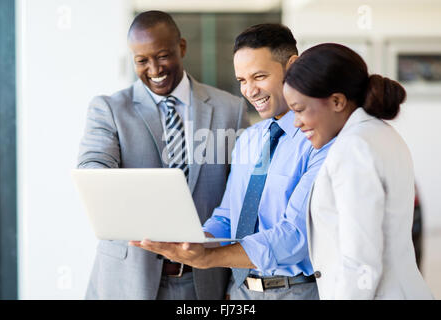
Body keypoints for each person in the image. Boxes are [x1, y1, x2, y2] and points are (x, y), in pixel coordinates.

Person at [131, 24, 332, 300]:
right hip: (239, 292)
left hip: (295, 291)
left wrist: (210, 258)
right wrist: (194, 241)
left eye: (259, 76)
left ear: (293, 67)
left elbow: (295, 238)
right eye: (242, 80)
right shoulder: (250, 139)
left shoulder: (320, 140)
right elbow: (229, 217)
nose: (249, 90)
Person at [78, 10, 249, 300]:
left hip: (204, 281)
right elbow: (93, 165)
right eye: (142, 60)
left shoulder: (229, 109)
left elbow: (244, 195)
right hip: (128, 280)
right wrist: (101, 182)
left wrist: (238, 284)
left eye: (162, 56)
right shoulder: (109, 109)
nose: (154, 69)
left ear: (181, 47)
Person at [283, 43, 433, 299]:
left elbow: (361, 262)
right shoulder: (379, 133)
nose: (296, 123)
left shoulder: (352, 148)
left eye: (299, 110)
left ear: (337, 101)